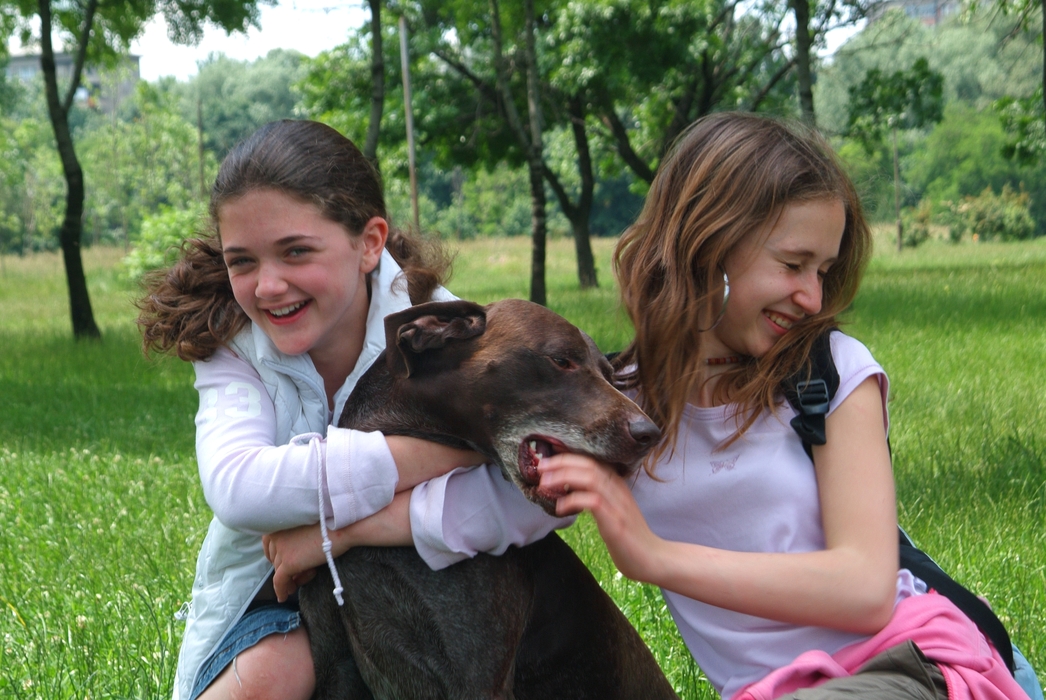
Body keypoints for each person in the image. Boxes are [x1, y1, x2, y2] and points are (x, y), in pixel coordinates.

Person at [533, 112, 1030, 700]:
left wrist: (654, 556)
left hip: (908, 665)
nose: (812, 296)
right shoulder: (618, 402)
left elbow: (866, 588)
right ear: (706, 245)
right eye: (793, 265)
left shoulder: (828, 371)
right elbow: (468, 477)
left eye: (822, 270)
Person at [138, 120, 567, 700]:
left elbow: (551, 497)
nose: (268, 286)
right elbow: (238, 488)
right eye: (242, 261)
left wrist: (347, 532)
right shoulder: (234, 344)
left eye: (296, 252)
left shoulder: (440, 331)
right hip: (276, 595)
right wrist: (430, 455)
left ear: (369, 244)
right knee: (268, 677)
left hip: (425, 592)